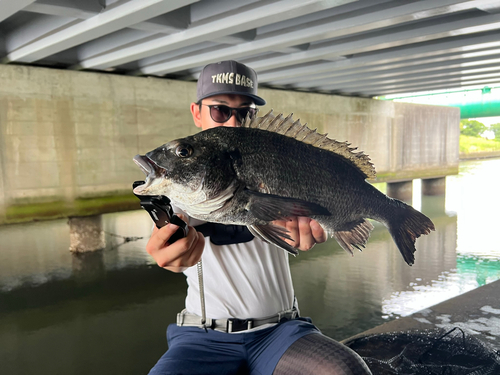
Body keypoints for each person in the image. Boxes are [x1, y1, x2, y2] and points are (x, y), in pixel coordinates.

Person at [146, 60, 371, 375]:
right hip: (202, 336)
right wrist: (170, 251)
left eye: (246, 112)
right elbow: (171, 226)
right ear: (197, 113)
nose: (234, 122)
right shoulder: (182, 186)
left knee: (347, 370)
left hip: (281, 331)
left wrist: (318, 227)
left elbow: (312, 206)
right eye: (221, 110)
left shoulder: (272, 156)